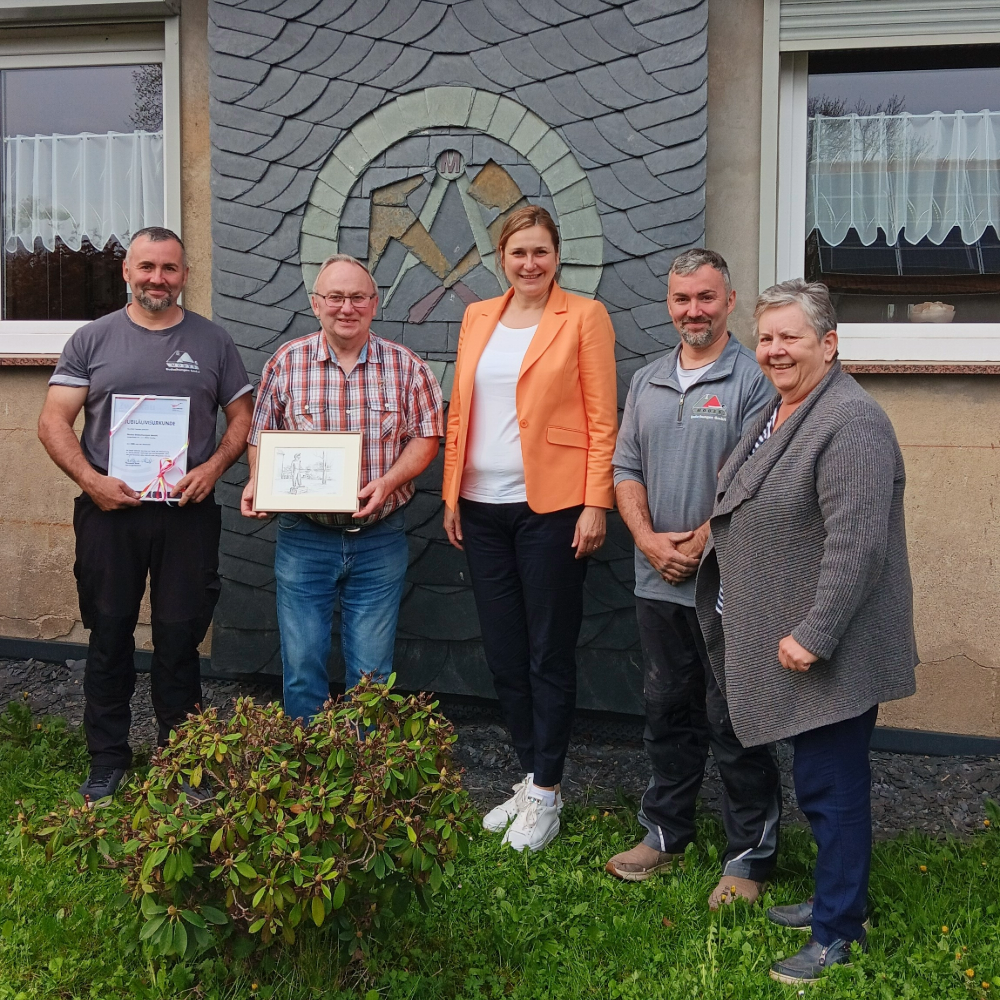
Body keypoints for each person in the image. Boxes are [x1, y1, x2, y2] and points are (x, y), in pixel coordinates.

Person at [695, 279, 917, 985]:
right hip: (792, 638)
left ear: (829, 343)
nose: (773, 350)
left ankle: (838, 932)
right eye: (765, 337)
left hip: (832, 646)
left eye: (789, 336)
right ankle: (836, 898)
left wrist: (816, 633)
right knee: (821, 780)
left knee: (831, 785)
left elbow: (859, 546)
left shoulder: (850, 421)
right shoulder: (786, 408)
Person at [38, 226, 254, 801]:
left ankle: (182, 759)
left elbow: (242, 417)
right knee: (109, 632)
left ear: (184, 275)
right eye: (147, 267)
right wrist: (91, 481)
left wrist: (213, 468)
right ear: (127, 271)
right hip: (110, 511)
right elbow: (53, 422)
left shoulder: (213, 341)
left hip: (187, 511)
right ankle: (107, 758)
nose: (158, 278)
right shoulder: (92, 339)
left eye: (169, 268)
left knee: (180, 636)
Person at [606, 248, 782, 908]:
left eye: (706, 297)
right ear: (669, 304)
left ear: (729, 302)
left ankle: (749, 856)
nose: (694, 311)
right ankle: (664, 832)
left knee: (734, 718)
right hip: (656, 579)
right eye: (682, 299)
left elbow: (752, 480)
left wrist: (700, 542)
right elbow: (625, 468)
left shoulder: (754, 381)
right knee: (666, 710)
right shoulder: (648, 380)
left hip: (726, 583)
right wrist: (648, 540)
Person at [441, 205, 618, 852]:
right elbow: (461, 408)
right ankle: (531, 777)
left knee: (547, 651)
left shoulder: (585, 317)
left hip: (553, 509)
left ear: (557, 256)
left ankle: (546, 791)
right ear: (501, 258)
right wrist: (451, 493)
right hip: (481, 508)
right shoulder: (477, 316)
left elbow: (602, 418)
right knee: (504, 652)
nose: (530, 263)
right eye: (518, 252)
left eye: (541, 251)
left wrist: (596, 503)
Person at [242, 254, 443, 720]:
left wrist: (389, 481)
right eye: (335, 297)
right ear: (316, 304)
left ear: (374, 303)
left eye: (357, 297)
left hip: (379, 537)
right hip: (304, 537)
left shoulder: (407, 367)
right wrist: (260, 480)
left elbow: (426, 438)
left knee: (372, 671)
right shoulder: (286, 363)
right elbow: (260, 436)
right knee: (301, 665)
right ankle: (309, 759)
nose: (346, 307)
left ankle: (363, 760)